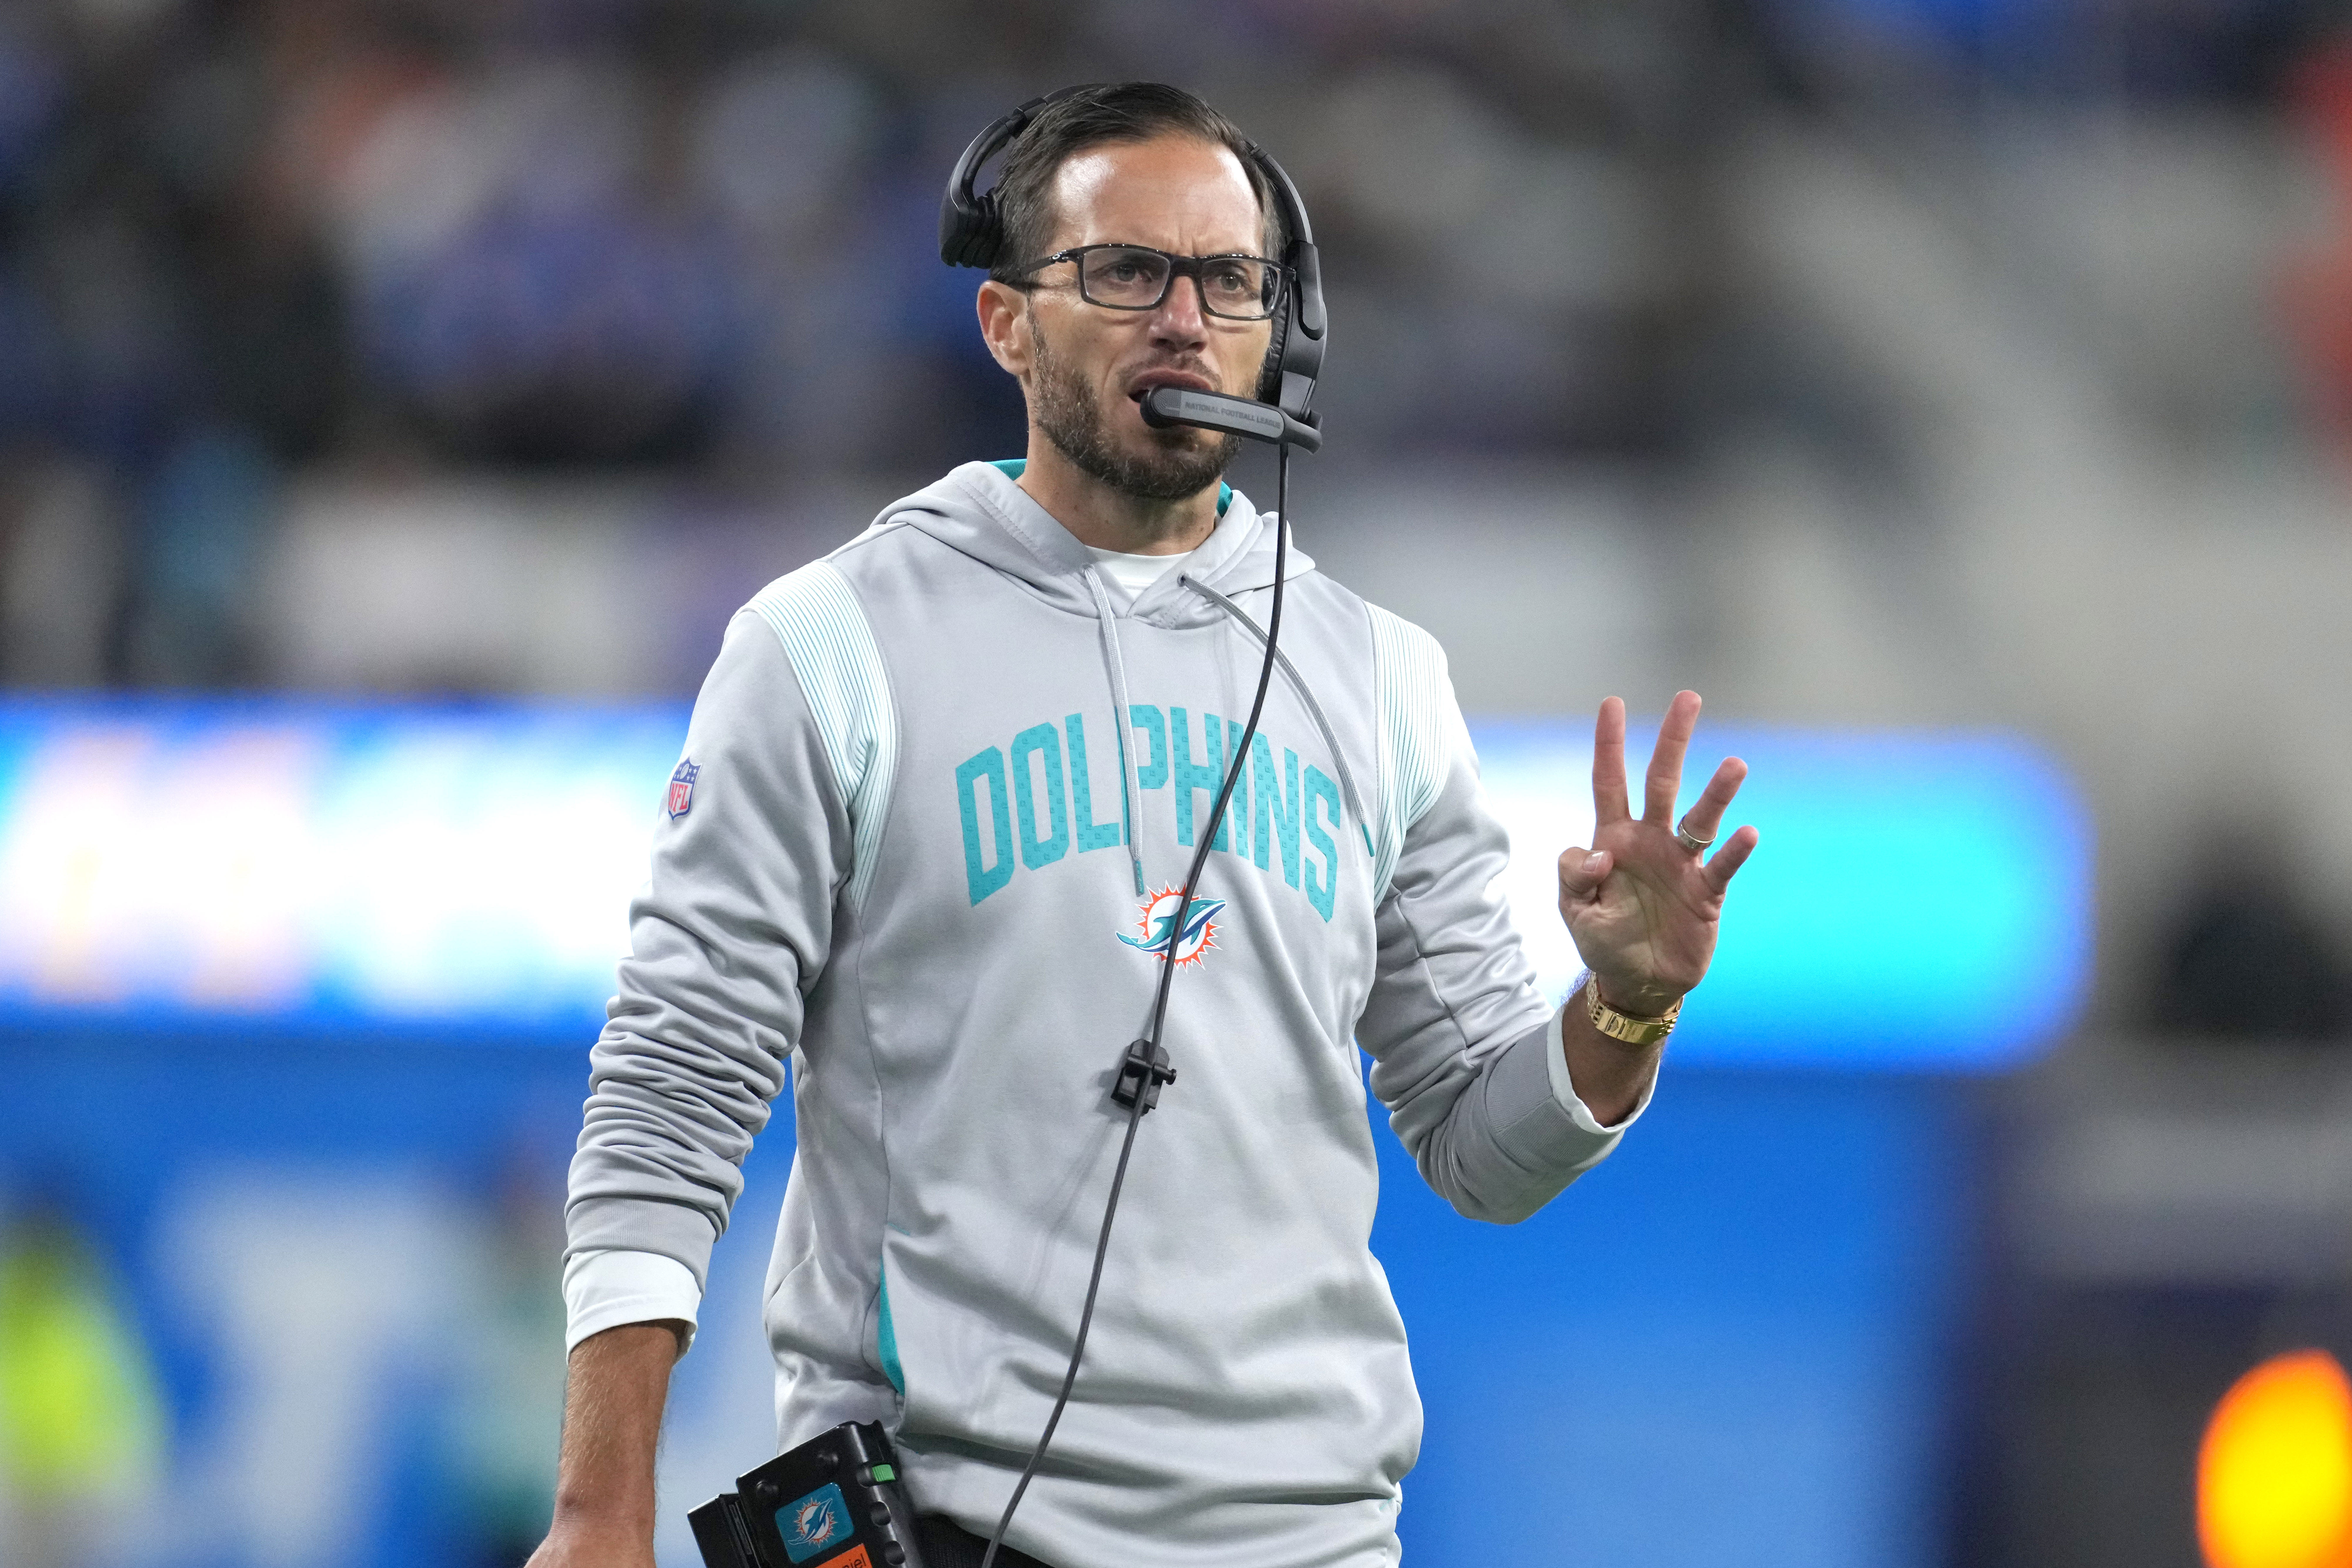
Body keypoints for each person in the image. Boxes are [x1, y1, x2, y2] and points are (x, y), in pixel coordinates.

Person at [529, 82, 1757, 1568]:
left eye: (1229, 278)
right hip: (949, 1524)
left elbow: (1483, 1157)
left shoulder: (1381, 678)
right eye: (1125, 271)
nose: (1185, 317)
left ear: (1280, 327)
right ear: (1006, 323)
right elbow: (674, 1090)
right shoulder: (830, 647)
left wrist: (1626, 1006)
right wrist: (602, 1514)